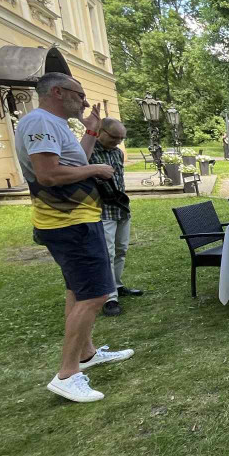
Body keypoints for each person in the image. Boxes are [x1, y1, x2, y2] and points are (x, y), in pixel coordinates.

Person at [15, 73, 134, 403]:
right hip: (68, 221)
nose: (84, 102)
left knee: (77, 289)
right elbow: (49, 173)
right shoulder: (40, 122)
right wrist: (97, 171)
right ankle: (67, 373)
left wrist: (92, 132)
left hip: (76, 218)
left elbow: (73, 162)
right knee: (95, 295)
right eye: (79, 95)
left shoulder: (54, 123)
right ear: (56, 91)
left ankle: (87, 353)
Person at [91, 117, 143, 317]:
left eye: (121, 138)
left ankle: (118, 285)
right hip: (101, 209)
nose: (118, 142)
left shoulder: (117, 153)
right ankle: (109, 298)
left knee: (121, 249)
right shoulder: (88, 152)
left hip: (121, 208)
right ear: (101, 131)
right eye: (114, 137)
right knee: (107, 253)